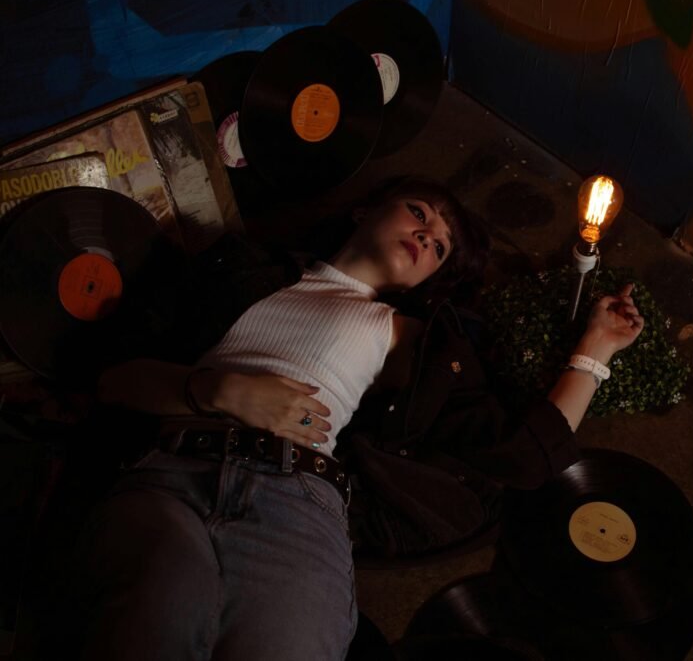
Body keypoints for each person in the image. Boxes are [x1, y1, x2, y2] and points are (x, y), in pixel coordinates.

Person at [71, 176, 645, 661]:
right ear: (365, 210)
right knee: (147, 628)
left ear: (428, 280)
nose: (427, 234)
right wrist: (222, 390)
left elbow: (523, 452)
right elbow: (113, 379)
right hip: (174, 475)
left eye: (441, 246)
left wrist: (596, 346)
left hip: (295, 506)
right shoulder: (242, 267)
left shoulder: (407, 335)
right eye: (419, 213)